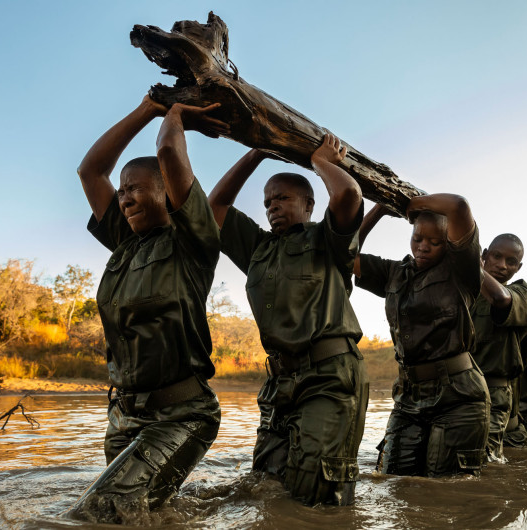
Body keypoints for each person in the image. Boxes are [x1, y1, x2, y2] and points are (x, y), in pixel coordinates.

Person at [68, 93, 229, 523]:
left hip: (183, 413)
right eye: (121, 192)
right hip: (123, 416)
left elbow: (168, 151)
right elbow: (90, 171)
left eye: (135, 188)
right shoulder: (124, 244)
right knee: (139, 516)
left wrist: (174, 112)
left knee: (100, 513)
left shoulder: (192, 240)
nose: (124, 198)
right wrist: (146, 109)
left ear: (165, 190)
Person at [207, 135, 368, 506]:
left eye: (282, 198)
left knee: (317, 493)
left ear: (309, 204)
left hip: (329, 377)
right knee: (264, 488)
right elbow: (215, 206)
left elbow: (348, 196)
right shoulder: (257, 248)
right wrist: (257, 152)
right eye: (267, 202)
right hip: (279, 383)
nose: (272, 207)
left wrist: (321, 161)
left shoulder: (328, 239)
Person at [354, 197, 490, 477]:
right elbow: (342, 254)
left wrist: (408, 201)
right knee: (395, 484)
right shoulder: (394, 273)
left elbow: (459, 206)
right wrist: (380, 208)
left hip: (459, 397)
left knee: (446, 494)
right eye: (417, 238)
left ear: (449, 243)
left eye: (435, 241)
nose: (423, 246)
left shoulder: (461, 271)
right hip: (408, 397)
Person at [469, 234, 527, 461]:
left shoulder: (519, 292)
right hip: (455, 387)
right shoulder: (461, 291)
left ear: (519, 267)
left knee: (483, 463)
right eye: (497, 257)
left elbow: (500, 299)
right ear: (485, 255)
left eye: (511, 262)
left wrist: (469, 263)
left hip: (493, 393)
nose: (502, 265)